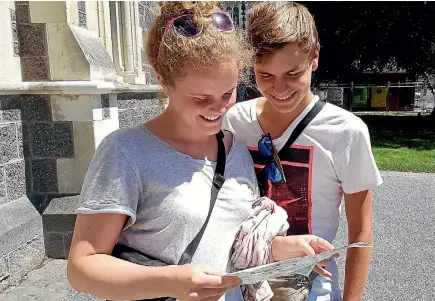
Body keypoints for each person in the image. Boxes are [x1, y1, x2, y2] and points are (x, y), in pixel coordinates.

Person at [67, 2, 335, 301]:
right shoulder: (125, 152)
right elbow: (82, 267)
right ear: (163, 81)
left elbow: (227, 241)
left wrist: (277, 248)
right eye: (200, 97)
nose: (218, 108)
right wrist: (171, 281)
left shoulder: (235, 150)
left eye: (227, 93)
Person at [223, 2, 383, 301]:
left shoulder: (346, 131)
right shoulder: (235, 120)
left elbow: (361, 234)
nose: (279, 88)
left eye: (292, 72)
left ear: (315, 57)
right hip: (239, 283)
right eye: (265, 75)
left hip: (310, 289)